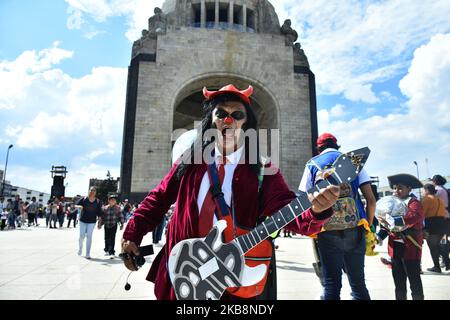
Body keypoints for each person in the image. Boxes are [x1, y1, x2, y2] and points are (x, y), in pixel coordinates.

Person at [121, 84, 340, 300]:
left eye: (237, 115)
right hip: (181, 275)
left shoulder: (263, 169)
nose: (229, 120)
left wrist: (317, 210)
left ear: (246, 124)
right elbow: (158, 199)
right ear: (211, 120)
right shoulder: (190, 160)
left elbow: (289, 210)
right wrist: (133, 233)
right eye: (222, 114)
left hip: (230, 281)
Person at [298, 132, 376, 300]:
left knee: (332, 284)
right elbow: (371, 200)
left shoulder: (312, 164)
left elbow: (303, 200)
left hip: (327, 230)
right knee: (358, 285)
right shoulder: (353, 161)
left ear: (319, 148)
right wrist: (367, 227)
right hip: (355, 229)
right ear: (336, 145)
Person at [379, 174, 425, 300]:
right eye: (394, 188)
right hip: (395, 246)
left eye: (400, 188)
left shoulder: (414, 203)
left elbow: (414, 217)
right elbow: (386, 225)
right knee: (398, 280)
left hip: (410, 246)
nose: (396, 191)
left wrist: (392, 220)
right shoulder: (392, 204)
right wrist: (379, 237)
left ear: (409, 188)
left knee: (414, 279)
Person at [422, 183, 447, 272]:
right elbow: (444, 213)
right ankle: (447, 262)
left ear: (427, 190)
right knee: (439, 245)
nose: (423, 192)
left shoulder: (427, 199)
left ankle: (437, 267)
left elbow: (422, 213)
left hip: (432, 224)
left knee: (433, 246)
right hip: (442, 224)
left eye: (423, 190)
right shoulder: (440, 200)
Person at [76, 187, 103, 259]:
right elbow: (76, 205)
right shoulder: (84, 199)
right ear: (89, 191)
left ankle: (87, 253)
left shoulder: (97, 201)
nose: (92, 191)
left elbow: (99, 212)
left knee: (89, 237)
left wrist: (99, 223)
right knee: (81, 236)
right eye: (91, 190)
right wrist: (80, 206)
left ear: (95, 192)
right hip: (83, 220)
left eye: (94, 190)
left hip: (92, 221)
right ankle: (80, 248)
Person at [431, 174, 450, 269]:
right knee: (443, 240)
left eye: (432, 181)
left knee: (442, 241)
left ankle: (446, 261)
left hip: (441, 218)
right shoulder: (444, 189)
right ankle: (445, 260)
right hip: (446, 216)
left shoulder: (438, 190)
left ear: (435, 181)